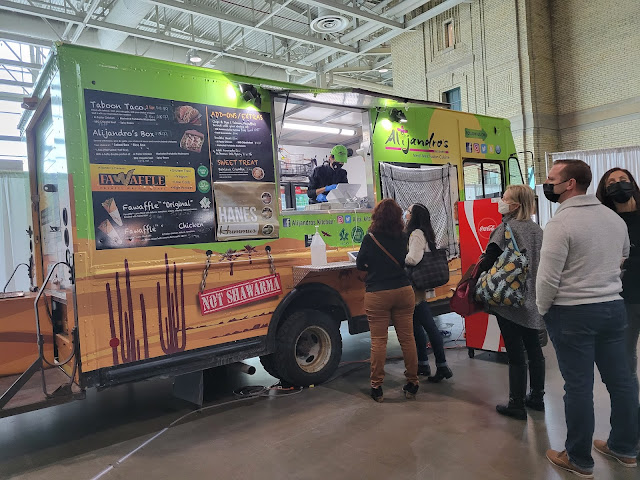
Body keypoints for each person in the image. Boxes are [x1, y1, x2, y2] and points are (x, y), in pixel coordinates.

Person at [537, 159, 638, 477]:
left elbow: (547, 278)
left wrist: (542, 309)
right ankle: (625, 448)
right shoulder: (613, 219)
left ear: (569, 184)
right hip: (613, 308)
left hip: (572, 313)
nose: (547, 183)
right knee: (621, 382)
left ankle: (578, 459)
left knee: (579, 386)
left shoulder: (560, 223)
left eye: (551, 178)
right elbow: (623, 256)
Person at [484, 185, 545, 420]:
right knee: (534, 349)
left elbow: (487, 262)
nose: (501, 201)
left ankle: (516, 403)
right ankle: (537, 397)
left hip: (508, 300)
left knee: (515, 352)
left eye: (505, 198)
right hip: (533, 299)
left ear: (515, 205)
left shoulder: (504, 230)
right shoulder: (538, 230)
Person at [356, 199, 419, 402]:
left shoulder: (370, 239)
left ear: (377, 216)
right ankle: (413, 382)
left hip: (378, 294)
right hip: (404, 290)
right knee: (407, 339)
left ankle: (377, 387)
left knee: (378, 341)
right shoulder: (403, 237)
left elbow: (360, 266)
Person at [596, 168, 640, 396]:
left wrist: (627, 262)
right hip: (623, 300)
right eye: (611, 182)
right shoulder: (604, 222)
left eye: (623, 180)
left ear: (632, 183)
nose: (618, 184)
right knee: (624, 360)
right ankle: (631, 409)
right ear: (605, 191)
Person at [404, 203, 453, 383]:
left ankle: (442, 365)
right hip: (418, 286)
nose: (406, 214)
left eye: (408, 212)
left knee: (428, 326)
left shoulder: (416, 234)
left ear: (414, 216)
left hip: (415, 288)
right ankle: (423, 364)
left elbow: (413, 258)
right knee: (417, 325)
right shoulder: (425, 232)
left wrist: (399, 259)